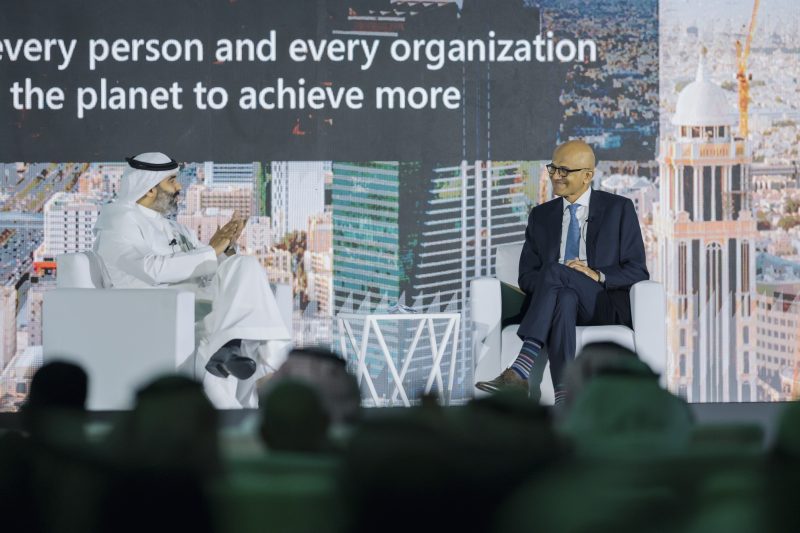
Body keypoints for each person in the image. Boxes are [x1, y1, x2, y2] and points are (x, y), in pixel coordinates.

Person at [93, 152, 291, 408]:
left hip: (193, 298)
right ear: (150, 188)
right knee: (235, 317)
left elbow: (206, 263)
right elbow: (152, 270)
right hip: (156, 307)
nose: (179, 187)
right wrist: (212, 250)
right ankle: (255, 369)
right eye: (172, 181)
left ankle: (247, 358)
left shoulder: (173, 227)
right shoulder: (119, 220)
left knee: (245, 264)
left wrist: (226, 246)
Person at [475, 140, 649, 405]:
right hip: (556, 304)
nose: (555, 176)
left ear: (587, 175)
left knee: (557, 272)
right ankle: (564, 397)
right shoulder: (541, 216)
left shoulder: (619, 209)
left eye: (563, 171)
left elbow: (637, 270)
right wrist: (557, 280)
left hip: (600, 303)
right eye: (552, 168)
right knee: (564, 294)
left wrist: (595, 274)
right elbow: (527, 277)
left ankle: (521, 367)